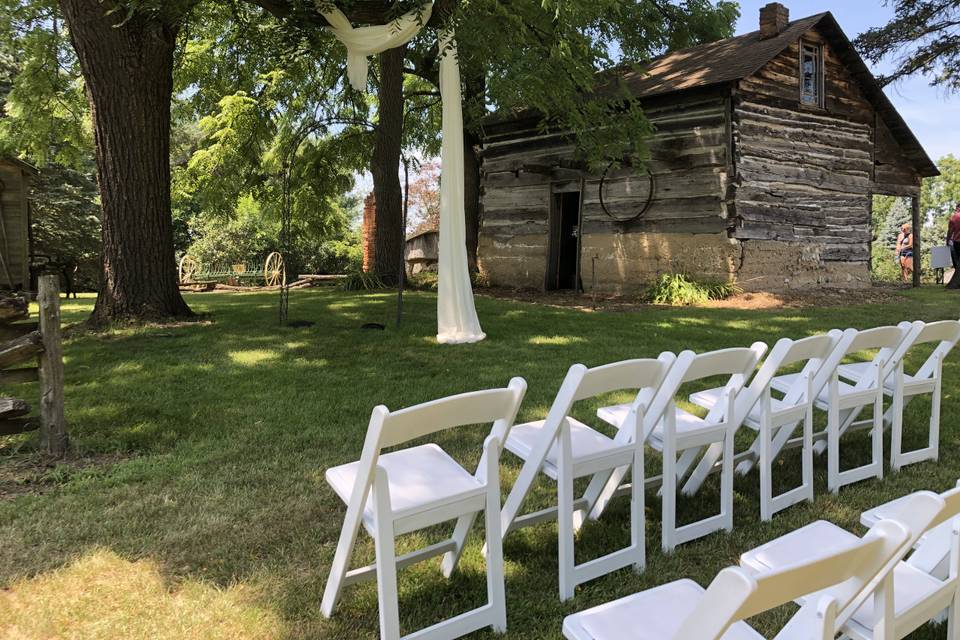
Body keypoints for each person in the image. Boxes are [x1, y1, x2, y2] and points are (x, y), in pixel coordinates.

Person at [948, 204, 960, 289]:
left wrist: (947, 240)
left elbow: (950, 231)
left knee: (957, 261)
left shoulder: (954, 217)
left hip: (957, 242)